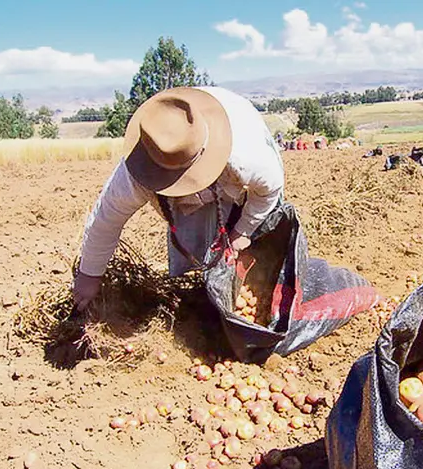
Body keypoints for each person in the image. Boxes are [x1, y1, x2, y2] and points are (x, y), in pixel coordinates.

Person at [73, 86, 285, 310]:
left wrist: (243, 231)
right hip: (200, 169)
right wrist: (89, 275)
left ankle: (266, 285)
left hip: (239, 150)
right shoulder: (137, 169)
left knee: (263, 235)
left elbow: (268, 190)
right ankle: (199, 298)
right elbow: (105, 220)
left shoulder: (246, 155)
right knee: (191, 237)